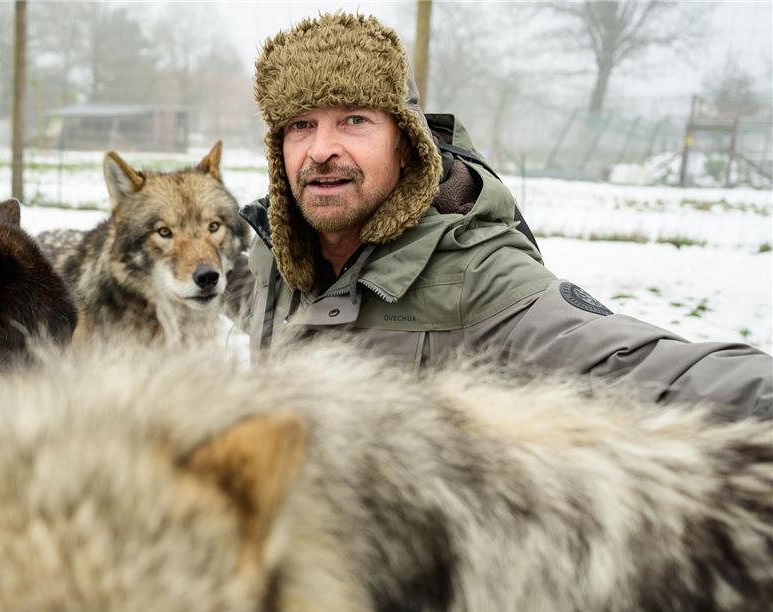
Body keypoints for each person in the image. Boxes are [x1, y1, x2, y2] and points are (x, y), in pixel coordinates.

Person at [226, 12, 772, 423]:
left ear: (405, 144)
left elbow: (638, 368)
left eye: (353, 120)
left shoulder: (477, 278)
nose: (321, 149)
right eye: (300, 125)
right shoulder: (277, 260)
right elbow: (228, 288)